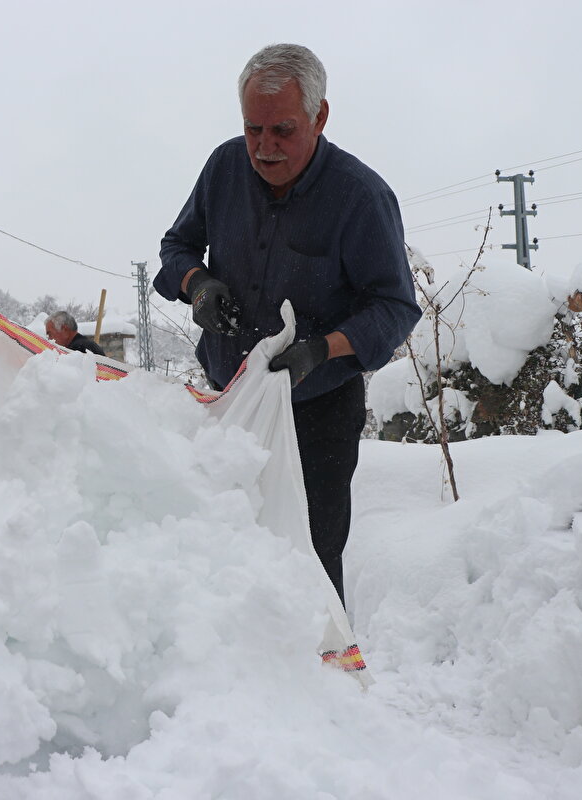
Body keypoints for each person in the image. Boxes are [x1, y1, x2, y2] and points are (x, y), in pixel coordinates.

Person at [154, 43, 421, 607]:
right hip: (226, 405)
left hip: (316, 416)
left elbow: (395, 306)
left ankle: (319, 662)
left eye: (282, 130)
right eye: (253, 129)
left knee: (308, 563)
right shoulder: (224, 168)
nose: (264, 148)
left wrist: (321, 349)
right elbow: (176, 248)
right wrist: (197, 285)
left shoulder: (361, 197)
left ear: (320, 117)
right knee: (219, 551)